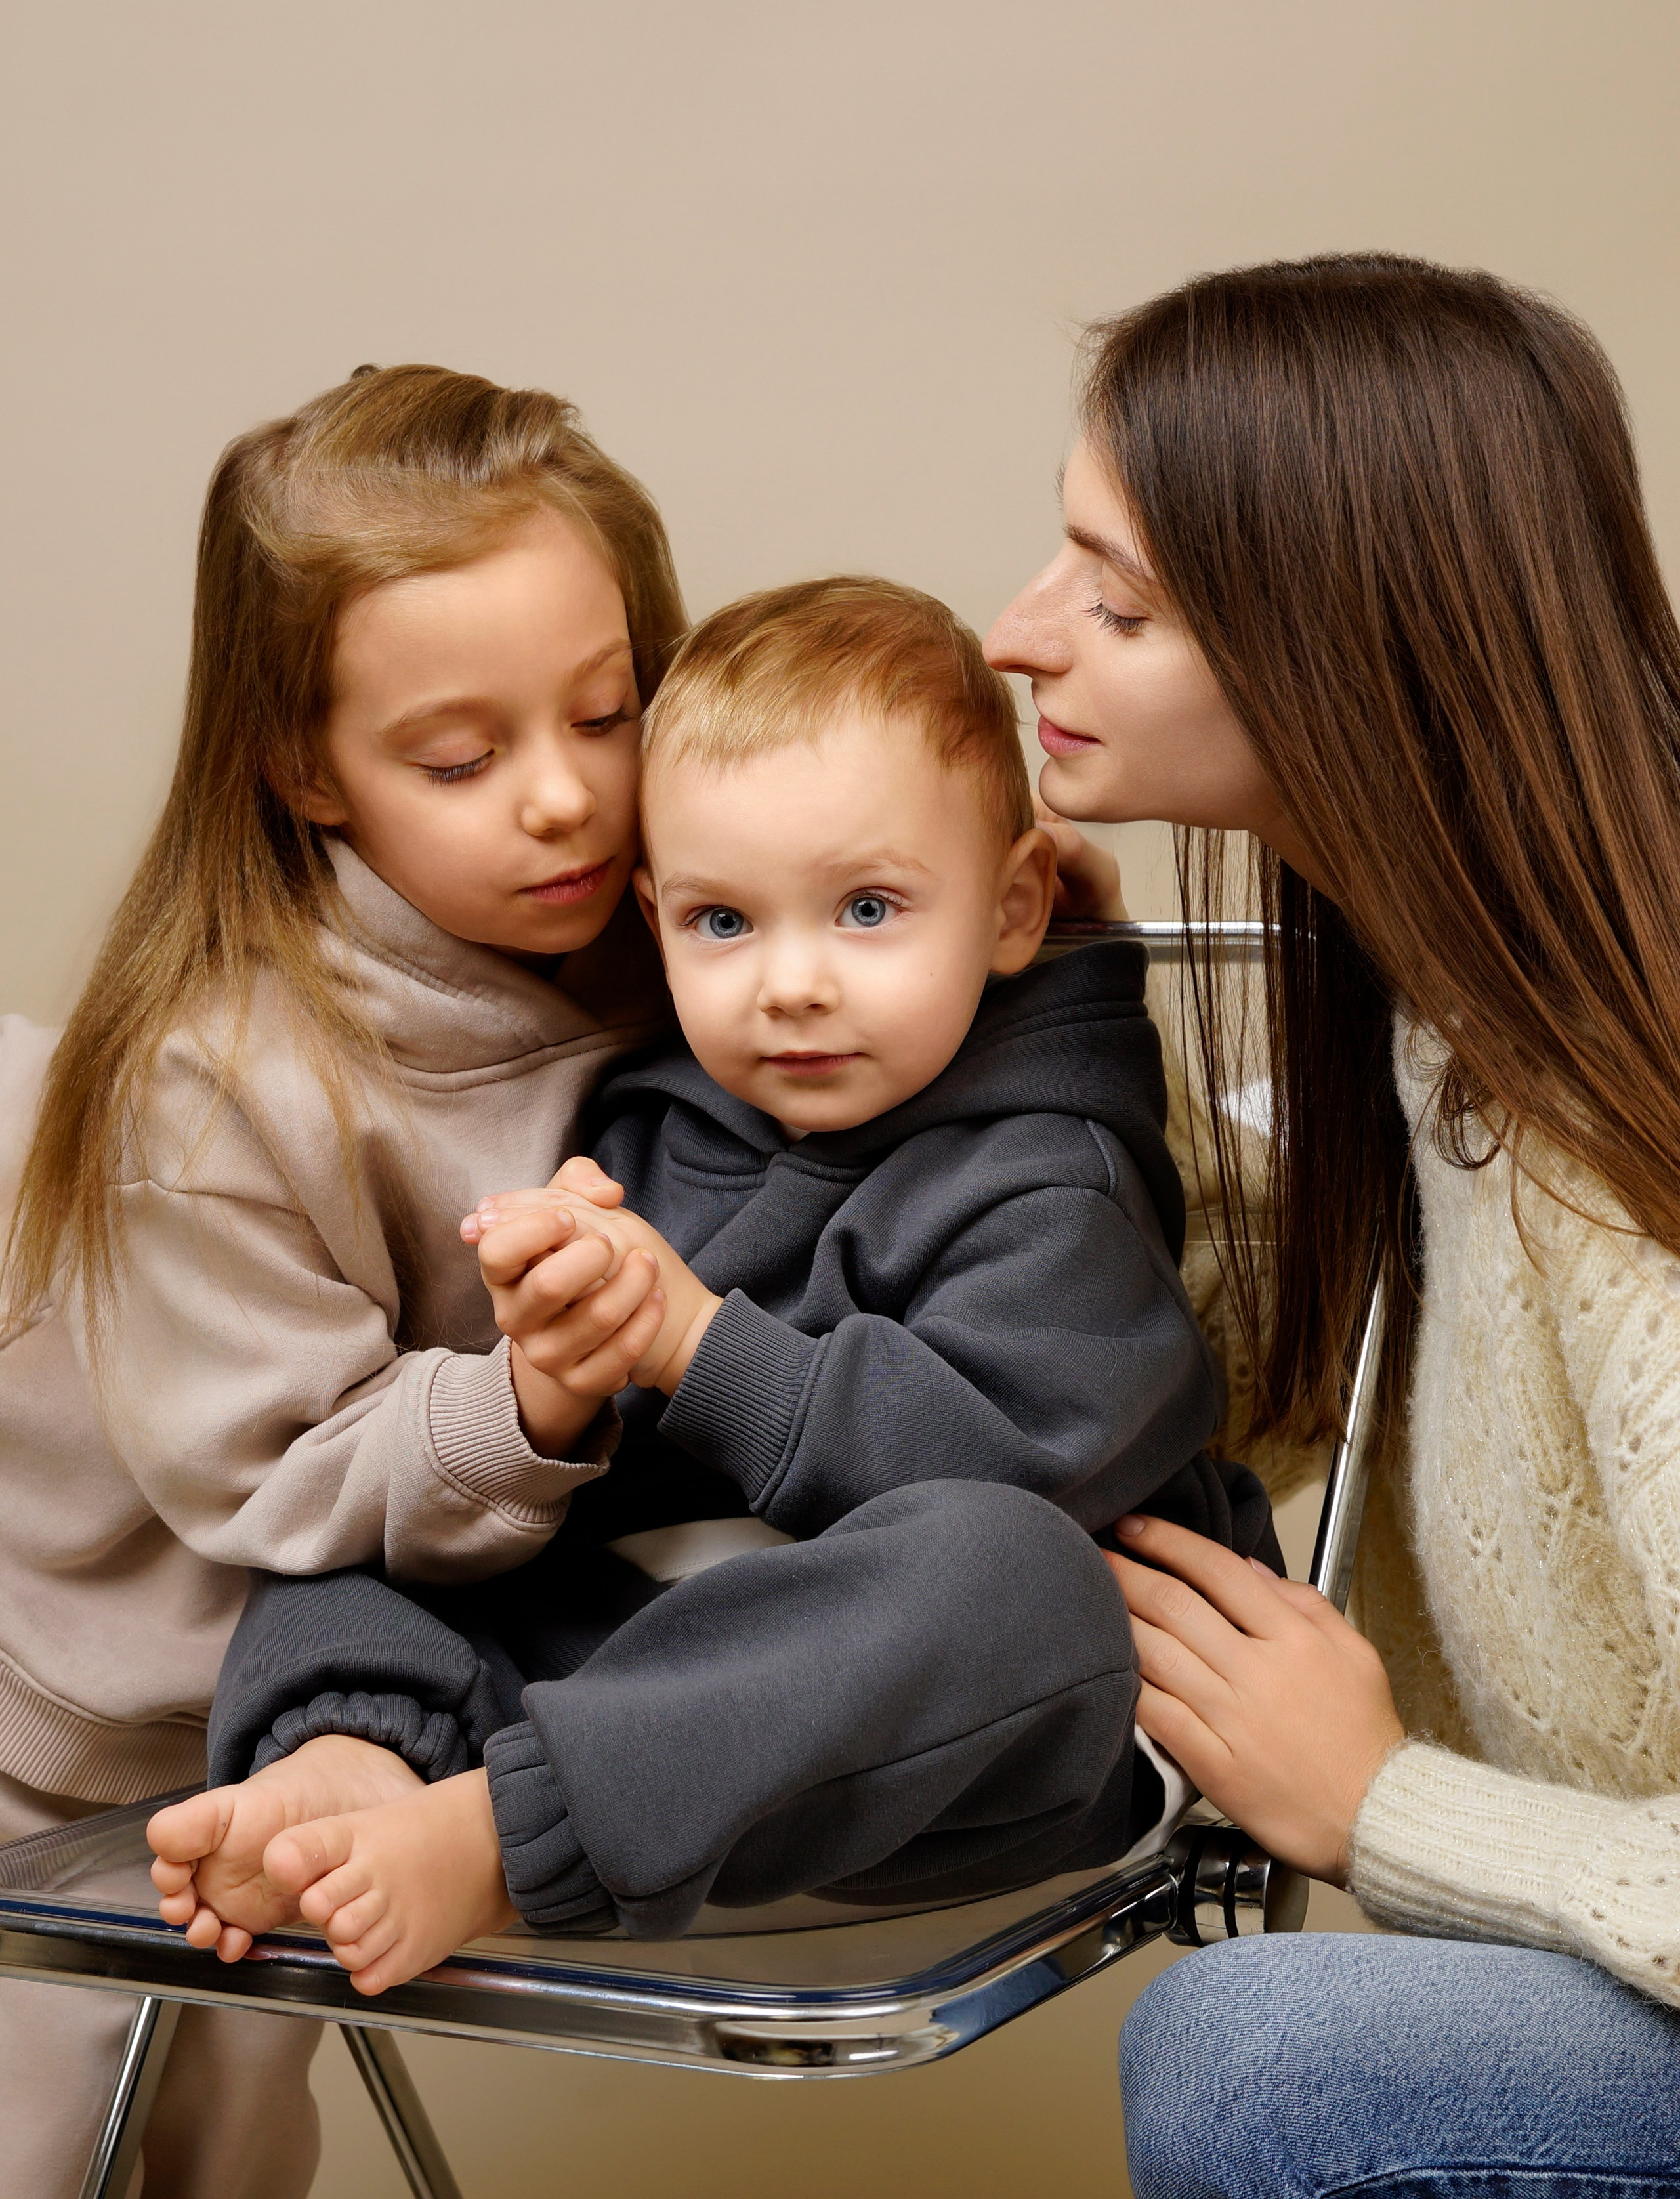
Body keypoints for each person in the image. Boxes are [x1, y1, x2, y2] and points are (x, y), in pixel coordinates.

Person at [148, 574, 1284, 1996]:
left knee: (1010, 1577)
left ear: (1009, 909)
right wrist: (561, 1366)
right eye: (723, 923)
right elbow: (583, 1484)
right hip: (677, 1677)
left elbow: (1005, 1461)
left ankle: (502, 1834)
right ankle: (351, 1758)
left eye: (865, 909)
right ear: (652, 915)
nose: (788, 984)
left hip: (963, 1722)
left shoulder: (1052, 1169)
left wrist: (693, 1342)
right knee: (360, 1515)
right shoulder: (658, 1116)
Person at [985, 251, 1680, 2196]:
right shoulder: (1451, 1015)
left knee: (1257, 2056)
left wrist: (1388, 1804)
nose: (1023, 634)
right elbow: (1245, 1373)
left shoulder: (1622, 1151)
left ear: (1344, 642)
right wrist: (1070, 1029)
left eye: (1119, 599)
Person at [0, 363, 682, 2198]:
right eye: (459, 759)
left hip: (322, 1711)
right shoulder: (216, 1075)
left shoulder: (666, 960)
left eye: (608, 712)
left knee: (239, 2128)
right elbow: (284, 1480)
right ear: (302, 764)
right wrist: (534, 1395)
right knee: (49, 2127)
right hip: (69, 1723)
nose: (563, 799)